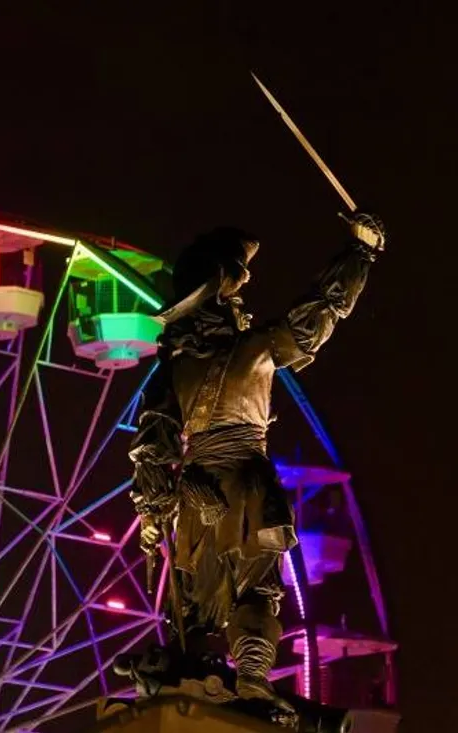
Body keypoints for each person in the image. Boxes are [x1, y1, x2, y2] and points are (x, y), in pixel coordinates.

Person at [115, 213, 386, 718]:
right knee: (256, 589)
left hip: (196, 497)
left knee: (196, 600)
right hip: (247, 487)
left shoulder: (171, 371)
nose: (243, 296)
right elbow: (316, 317)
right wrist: (360, 254)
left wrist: (153, 516)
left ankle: (187, 674)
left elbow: (151, 449)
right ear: (220, 295)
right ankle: (254, 679)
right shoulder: (256, 349)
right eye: (237, 286)